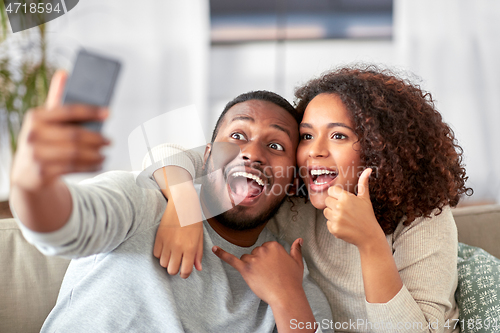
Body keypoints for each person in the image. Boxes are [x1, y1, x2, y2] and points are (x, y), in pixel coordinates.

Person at [149, 65, 472, 333]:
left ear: (381, 149)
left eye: (339, 136)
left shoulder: (422, 217)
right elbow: (169, 154)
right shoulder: (290, 196)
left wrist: (371, 243)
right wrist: (183, 206)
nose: (315, 150)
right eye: (306, 136)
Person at [9, 70, 333, 333]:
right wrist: (31, 181)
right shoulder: (144, 201)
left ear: (293, 181)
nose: (251, 153)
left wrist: (286, 298)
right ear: (206, 157)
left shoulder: (291, 279)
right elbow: (61, 227)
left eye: (276, 146)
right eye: (236, 136)